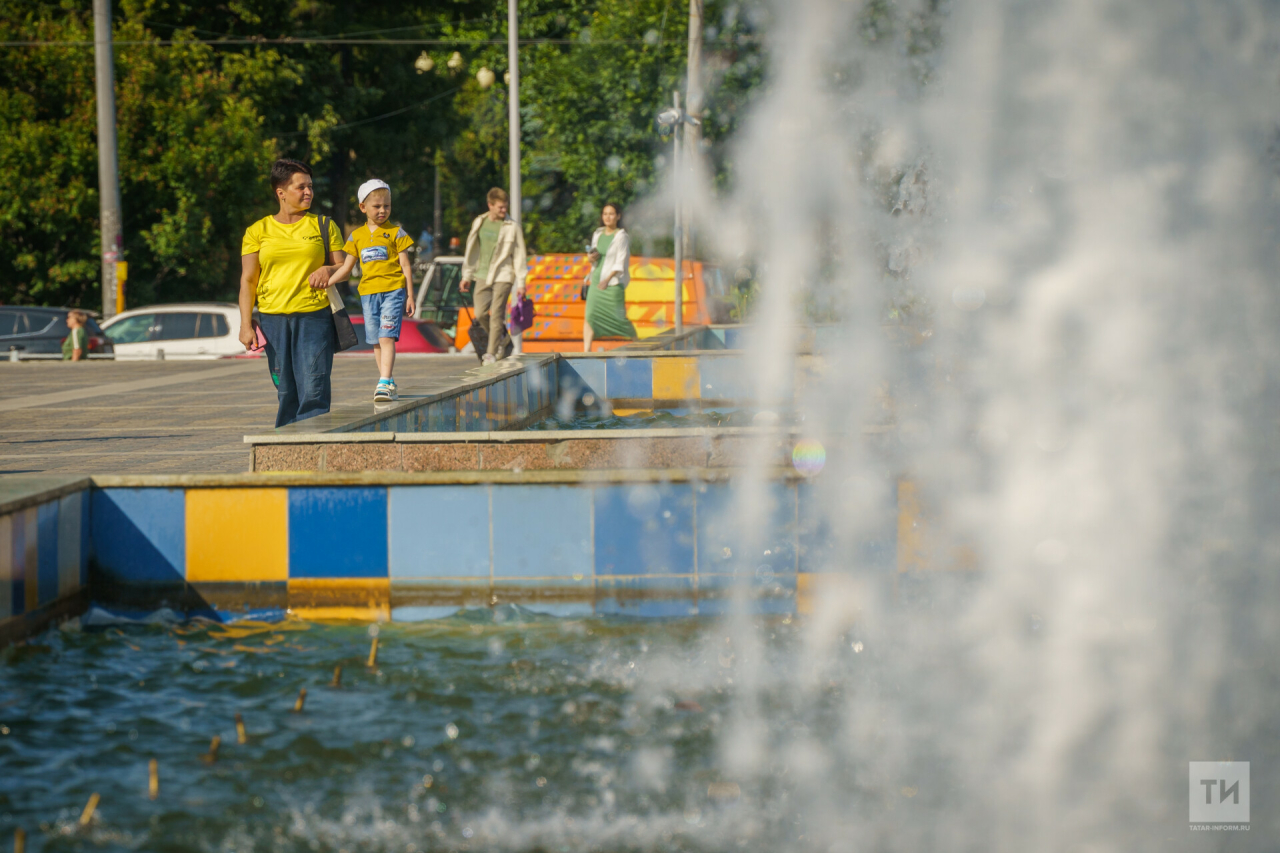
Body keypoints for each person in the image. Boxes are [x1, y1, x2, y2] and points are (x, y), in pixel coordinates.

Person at [238, 159, 347, 427]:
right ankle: (286, 447)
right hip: (272, 320)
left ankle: (314, 451)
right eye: (301, 187)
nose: (309, 192)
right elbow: (248, 280)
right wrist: (245, 324)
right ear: (281, 192)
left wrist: (327, 269)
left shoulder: (323, 225)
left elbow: (344, 265)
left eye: (310, 186)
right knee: (285, 390)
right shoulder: (257, 231)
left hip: (314, 318)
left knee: (314, 389)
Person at [329, 179, 415, 402]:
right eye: (377, 206)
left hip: (393, 291)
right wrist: (327, 282)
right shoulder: (355, 237)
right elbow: (346, 268)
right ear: (363, 207)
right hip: (368, 294)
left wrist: (410, 295)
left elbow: (406, 266)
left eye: (387, 205)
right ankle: (387, 379)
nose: (382, 210)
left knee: (386, 336)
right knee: (376, 339)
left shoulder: (397, 233)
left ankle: (384, 382)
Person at [460, 188, 528, 364]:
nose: (504, 211)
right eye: (500, 207)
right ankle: (502, 339)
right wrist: (466, 276)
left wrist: (521, 283)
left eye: (505, 207)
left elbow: (520, 255)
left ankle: (490, 354)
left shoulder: (512, 227)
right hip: (482, 274)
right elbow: (471, 251)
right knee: (481, 313)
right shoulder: (479, 222)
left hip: (504, 274)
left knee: (497, 314)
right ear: (490, 205)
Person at [583, 202, 636, 351]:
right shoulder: (598, 233)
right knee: (590, 315)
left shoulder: (621, 236)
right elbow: (592, 256)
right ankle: (586, 351)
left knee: (621, 319)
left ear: (618, 216)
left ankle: (639, 344)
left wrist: (607, 280)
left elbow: (620, 262)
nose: (608, 217)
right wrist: (591, 258)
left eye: (611, 214)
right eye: (605, 214)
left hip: (612, 283)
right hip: (596, 280)